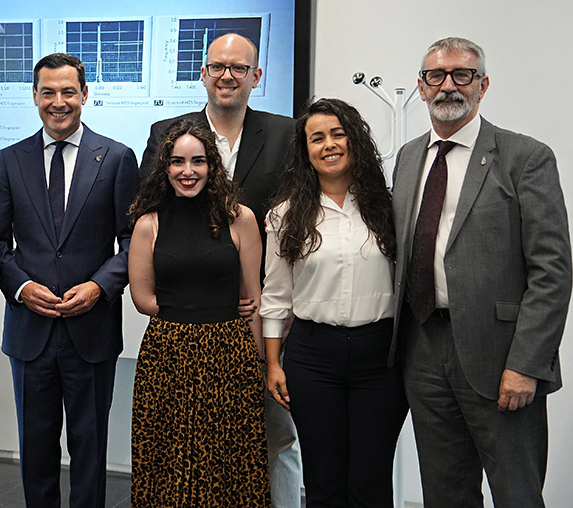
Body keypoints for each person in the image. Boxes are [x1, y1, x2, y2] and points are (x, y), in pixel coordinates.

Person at [392, 37, 571, 508]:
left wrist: (526, 364)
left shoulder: (525, 157)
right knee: (445, 495)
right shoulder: (410, 158)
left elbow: (552, 271)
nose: (448, 86)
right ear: (421, 86)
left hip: (502, 359)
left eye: (462, 75)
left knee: (517, 493)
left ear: (483, 85)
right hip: (424, 350)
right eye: (436, 76)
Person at [139, 32, 301, 507]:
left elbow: (296, 218)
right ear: (203, 73)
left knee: (275, 433)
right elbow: (151, 213)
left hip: (263, 313)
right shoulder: (168, 132)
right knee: (189, 449)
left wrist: (277, 310)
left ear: (257, 76)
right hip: (192, 320)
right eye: (218, 66)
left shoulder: (287, 133)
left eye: (239, 67)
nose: (227, 75)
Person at [0, 53, 139, 508]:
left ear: (85, 94)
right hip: (29, 330)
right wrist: (19, 286)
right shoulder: (10, 160)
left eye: (68, 91)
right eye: (48, 92)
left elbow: (134, 241)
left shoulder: (116, 158)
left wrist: (98, 286)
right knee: (35, 449)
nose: (59, 102)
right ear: (34, 96)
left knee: (90, 448)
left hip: (91, 330)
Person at [260, 98, 408, 508]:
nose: (329, 145)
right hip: (312, 357)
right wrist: (274, 363)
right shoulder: (284, 216)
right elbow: (274, 298)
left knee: (371, 481)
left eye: (338, 134)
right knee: (323, 482)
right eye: (317, 138)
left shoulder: (391, 207)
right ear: (305, 151)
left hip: (380, 358)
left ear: (354, 140)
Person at [129, 118, 271, 507]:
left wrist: (259, 362)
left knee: (230, 463)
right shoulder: (148, 223)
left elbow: (253, 297)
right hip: (167, 356)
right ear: (165, 167)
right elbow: (142, 298)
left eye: (198, 161)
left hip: (230, 355)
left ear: (213, 166)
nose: (187, 171)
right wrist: (195, 312)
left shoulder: (240, 218)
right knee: (168, 462)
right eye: (177, 162)